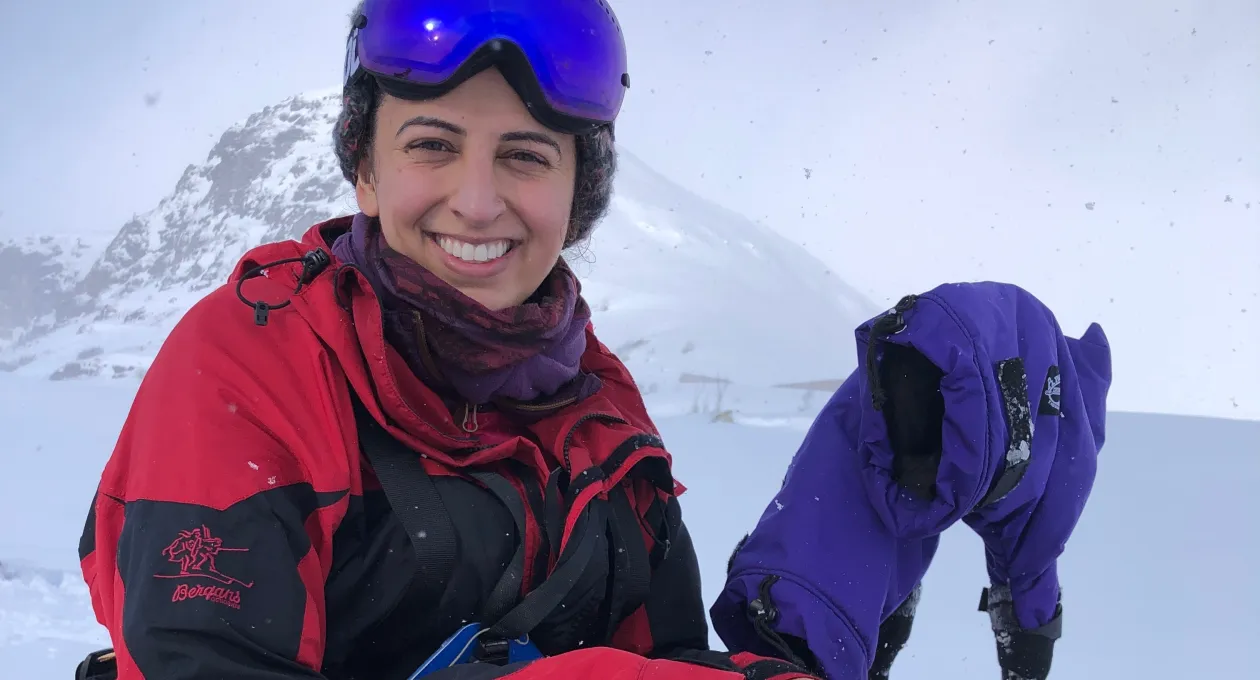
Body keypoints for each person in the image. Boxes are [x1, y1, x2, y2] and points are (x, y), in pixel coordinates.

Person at [73, 1, 818, 679]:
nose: (476, 201)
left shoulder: (599, 404)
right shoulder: (254, 360)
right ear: (365, 169)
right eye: (433, 144)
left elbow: (661, 654)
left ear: (577, 196)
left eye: (525, 155)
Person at [711, 283, 1114, 680]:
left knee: (871, 509)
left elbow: (828, 498)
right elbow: (1030, 564)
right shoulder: (1065, 444)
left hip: (928, 361)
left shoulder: (1055, 434)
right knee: (880, 508)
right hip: (936, 367)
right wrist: (1028, 658)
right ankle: (808, 634)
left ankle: (809, 633)